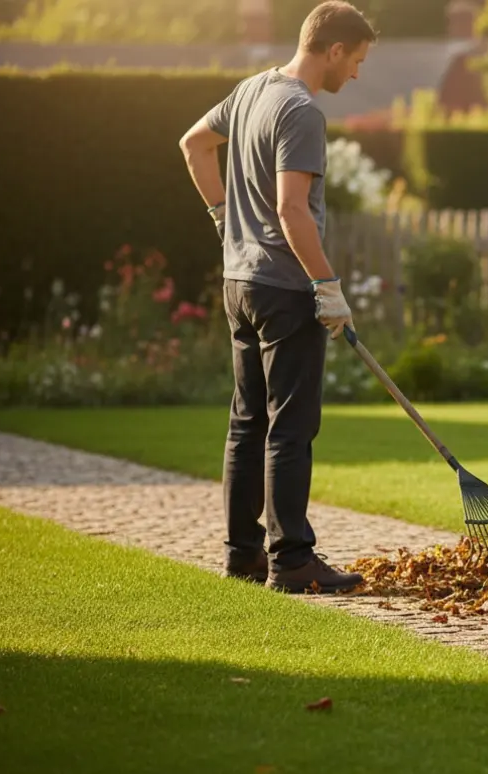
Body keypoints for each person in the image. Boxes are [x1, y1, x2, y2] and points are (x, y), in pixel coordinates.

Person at [178, 0, 376, 593]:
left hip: (238, 282)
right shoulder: (301, 112)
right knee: (291, 426)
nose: (357, 74)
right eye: (357, 61)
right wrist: (327, 285)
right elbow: (292, 210)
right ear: (333, 49)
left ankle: (243, 555)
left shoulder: (250, 92)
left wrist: (222, 215)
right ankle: (292, 561)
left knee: (247, 421)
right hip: (286, 288)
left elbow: (192, 145)